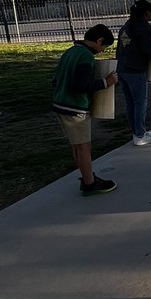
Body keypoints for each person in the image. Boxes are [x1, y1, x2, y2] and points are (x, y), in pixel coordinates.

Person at [51, 24, 119, 196]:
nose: (102, 51)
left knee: (78, 145)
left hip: (60, 104)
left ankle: (87, 175)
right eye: (104, 47)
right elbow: (80, 85)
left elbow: (55, 80)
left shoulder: (70, 52)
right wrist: (106, 82)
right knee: (83, 147)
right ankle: (89, 183)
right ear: (99, 41)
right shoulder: (86, 57)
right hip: (74, 108)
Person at [116, 0, 151, 146]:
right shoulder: (142, 26)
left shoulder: (127, 26)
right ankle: (140, 136)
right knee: (140, 102)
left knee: (130, 103)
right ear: (146, 12)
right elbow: (150, 47)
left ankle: (137, 131)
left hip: (122, 68)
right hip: (135, 70)